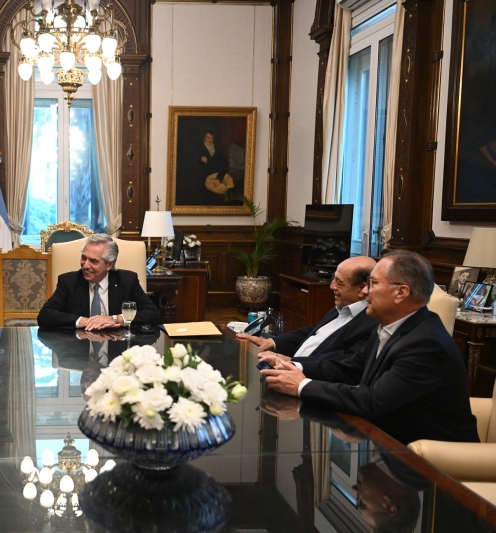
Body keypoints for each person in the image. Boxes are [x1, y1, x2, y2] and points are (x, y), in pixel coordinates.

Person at [259, 249, 479, 445]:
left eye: (373, 284)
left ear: (401, 292)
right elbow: (349, 366)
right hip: (386, 441)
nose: (364, 293)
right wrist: (294, 365)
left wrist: (301, 386)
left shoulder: (426, 344)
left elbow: (373, 400)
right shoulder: (387, 326)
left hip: (432, 462)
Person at [237, 256, 377, 361]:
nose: (332, 286)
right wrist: (271, 342)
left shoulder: (370, 323)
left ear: (362, 288)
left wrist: (291, 362)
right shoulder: (340, 308)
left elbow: (341, 363)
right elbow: (313, 333)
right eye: (333, 279)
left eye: (339, 283)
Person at [37, 233, 161, 330]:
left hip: (117, 348)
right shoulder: (68, 281)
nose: (85, 265)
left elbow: (152, 314)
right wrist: (84, 321)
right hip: (78, 350)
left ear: (109, 264)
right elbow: (45, 316)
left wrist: (115, 319)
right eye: (83, 258)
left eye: (94, 261)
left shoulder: (127, 280)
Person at [198, 131, 236, 203]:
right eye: (208, 137)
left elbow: (225, 163)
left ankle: (232, 204)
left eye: (212, 138)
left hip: (219, 174)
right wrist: (199, 158)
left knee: (229, 180)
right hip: (208, 178)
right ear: (204, 139)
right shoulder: (199, 150)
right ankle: (231, 203)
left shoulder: (217, 149)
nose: (210, 140)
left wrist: (219, 178)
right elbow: (193, 163)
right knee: (225, 188)